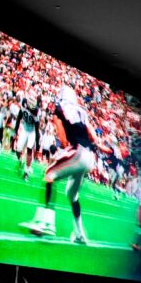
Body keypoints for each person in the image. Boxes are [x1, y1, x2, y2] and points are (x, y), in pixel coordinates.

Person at [19, 85, 113, 244]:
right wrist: (101, 147)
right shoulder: (82, 111)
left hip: (78, 152)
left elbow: (63, 140)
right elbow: (92, 136)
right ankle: (79, 234)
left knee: (49, 175)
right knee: (72, 194)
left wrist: (63, 149)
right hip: (90, 158)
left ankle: (46, 223)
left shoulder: (60, 108)